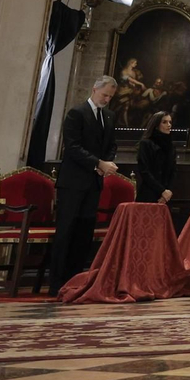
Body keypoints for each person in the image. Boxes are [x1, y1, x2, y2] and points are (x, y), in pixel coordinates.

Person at [50, 76, 120, 293]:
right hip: (72, 184)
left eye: (110, 96)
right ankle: (57, 285)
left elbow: (111, 145)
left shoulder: (108, 116)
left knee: (83, 234)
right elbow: (72, 147)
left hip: (93, 183)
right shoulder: (77, 113)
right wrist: (97, 163)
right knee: (66, 232)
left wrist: (105, 163)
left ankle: (77, 282)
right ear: (94, 89)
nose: (107, 99)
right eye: (104, 94)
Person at [134, 110, 176, 206]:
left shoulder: (171, 145)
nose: (169, 125)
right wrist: (162, 191)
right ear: (156, 125)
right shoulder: (146, 143)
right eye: (164, 122)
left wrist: (167, 192)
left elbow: (173, 171)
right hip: (149, 193)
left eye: (170, 122)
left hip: (166, 196)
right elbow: (144, 171)